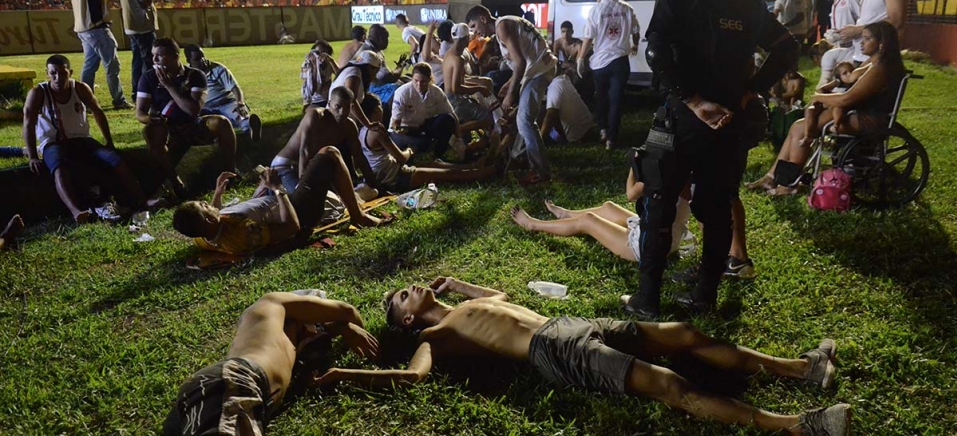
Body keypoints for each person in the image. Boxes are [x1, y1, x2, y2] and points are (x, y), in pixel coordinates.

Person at [318, 277, 851, 436]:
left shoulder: (463, 304)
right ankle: (795, 427)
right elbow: (413, 380)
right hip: (553, 350)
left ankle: (803, 368)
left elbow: (501, 299)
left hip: (568, 324)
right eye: (402, 298)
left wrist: (458, 282)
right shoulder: (434, 339)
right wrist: (346, 372)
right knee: (666, 384)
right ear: (407, 321)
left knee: (682, 332)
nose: (412, 288)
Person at [622, 0, 799, 319]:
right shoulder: (748, 6)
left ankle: (647, 300)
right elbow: (787, 47)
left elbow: (656, 52)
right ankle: (705, 297)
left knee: (659, 204)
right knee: (718, 208)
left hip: (683, 115)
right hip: (731, 117)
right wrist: (751, 90)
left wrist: (693, 100)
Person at [162, 291, 379, 435]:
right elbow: (346, 310)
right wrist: (359, 332)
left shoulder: (277, 339)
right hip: (232, 381)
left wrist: (341, 329)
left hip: (213, 389)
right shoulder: (272, 303)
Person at [749, 21, 904, 196]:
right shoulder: (874, 63)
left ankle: (789, 184)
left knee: (801, 128)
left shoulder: (880, 69)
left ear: (881, 43)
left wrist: (818, 96)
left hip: (868, 118)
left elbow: (847, 98)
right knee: (797, 126)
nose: (861, 42)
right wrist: (834, 84)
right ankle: (772, 177)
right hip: (858, 111)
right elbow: (848, 80)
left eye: (867, 39)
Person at [172, 147, 382, 256]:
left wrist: (218, 194)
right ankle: (357, 215)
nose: (210, 204)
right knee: (329, 154)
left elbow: (213, 223)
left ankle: (356, 194)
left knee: (283, 163)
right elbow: (292, 227)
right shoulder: (244, 234)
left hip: (271, 199)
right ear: (208, 220)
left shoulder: (202, 236)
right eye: (205, 206)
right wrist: (276, 189)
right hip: (297, 210)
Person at [23, 55, 150, 223]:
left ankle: (142, 200)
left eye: (63, 73)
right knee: (59, 169)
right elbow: (28, 123)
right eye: (53, 73)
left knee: (115, 159)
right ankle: (77, 211)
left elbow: (98, 112)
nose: (58, 78)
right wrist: (32, 155)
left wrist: (109, 141)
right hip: (53, 142)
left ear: (70, 72)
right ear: (47, 73)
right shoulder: (39, 92)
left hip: (81, 139)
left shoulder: (80, 88)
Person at [510, 164, 692, 262]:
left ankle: (532, 224)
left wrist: (634, 166)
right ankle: (566, 214)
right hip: (663, 233)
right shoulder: (689, 177)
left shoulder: (665, 171)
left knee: (588, 221)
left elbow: (630, 194)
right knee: (608, 207)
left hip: (646, 245)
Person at [135, 37, 237, 197]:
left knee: (221, 122)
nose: (154, 59)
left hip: (193, 125)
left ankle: (230, 172)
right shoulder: (148, 78)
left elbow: (193, 111)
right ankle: (175, 182)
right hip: (167, 128)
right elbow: (140, 113)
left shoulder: (195, 75)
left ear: (175, 57)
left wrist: (169, 86)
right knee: (150, 131)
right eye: (153, 55)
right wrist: (150, 119)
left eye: (159, 55)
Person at [467, 6, 557, 185]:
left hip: (539, 71)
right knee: (523, 119)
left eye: (474, 25)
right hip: (538, 69)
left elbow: (520, 62)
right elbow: (521, 61)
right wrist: (510, 83)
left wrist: (510, 93)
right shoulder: (505, 23)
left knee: (524, 120)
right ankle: (522, 159)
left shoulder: (502, 27)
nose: (475, 32)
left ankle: (540, 171)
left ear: (483, 18)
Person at [254, 87, 382, 197]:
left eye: (346, 108)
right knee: (302, 202)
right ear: (329, 103)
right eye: (337, 107)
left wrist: (374, 184)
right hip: (286, 166)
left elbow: (359, 157)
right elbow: (304, 152)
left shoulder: (349, 126)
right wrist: (302, 187)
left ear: (352, 107)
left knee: (333, 199)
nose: (342, 112)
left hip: (312, 169)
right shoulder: (315, 116)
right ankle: (268, 189)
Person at [358, 93, 496, 193]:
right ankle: (487, 171)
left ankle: (474, 165)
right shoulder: (377, 131)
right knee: (449, 174)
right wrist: (410, 150)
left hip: (387, 173)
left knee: (435, 164)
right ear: (376, 110)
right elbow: (401, 157)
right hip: (396, 178)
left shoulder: (362, 130)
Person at [579, 0, 641, 150]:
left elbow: (588, 38)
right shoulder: (627, 8)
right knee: (616, 100)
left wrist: (580, 58)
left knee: (600, 97)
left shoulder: (596, 10)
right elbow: (636, 32)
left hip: (600, 62)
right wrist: (635, 45)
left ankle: (603, 129)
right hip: (620, 62)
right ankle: (611, 140)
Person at [183, 44, 263, 142]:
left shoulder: (217, 68)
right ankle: (212, 135)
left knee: (240, 115)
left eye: (203, 56)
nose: (203, 60)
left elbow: (235, 88)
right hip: (205, 108)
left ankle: (250, 131)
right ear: (189, 61)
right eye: (197, 59)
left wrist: (240, 103)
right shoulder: (186, 74)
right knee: (198, 121)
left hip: (226, 103)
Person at [819, 0, 905, 87]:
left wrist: (858, 30)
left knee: (846, 98)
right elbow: (869, 18)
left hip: (878, 59)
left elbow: (896, 19)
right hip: (862, 57)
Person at [389, 63, 458, 162]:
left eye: (423, 82)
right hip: (406, 129)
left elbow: (451, 113)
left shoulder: (436, 92)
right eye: (416, 81)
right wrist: (406, 130)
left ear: (430, 80)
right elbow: (395, 125)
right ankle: (420, 150)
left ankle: (438, 155)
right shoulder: (403, 93)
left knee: (448, 119)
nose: (419, 85)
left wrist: (459, 138)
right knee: (421, 143)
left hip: (423, 126)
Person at [72, 0, 133, 109]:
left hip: (84, 28)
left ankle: (85, 100)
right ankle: (119, 100)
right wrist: (100, 22)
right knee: (112, 66)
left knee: (89, 66)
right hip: (96, 28)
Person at [443, 23, 494, 143]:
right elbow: (456, 88)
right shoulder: (458, 59)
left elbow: (459, 82)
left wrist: (478, 87)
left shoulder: (449, 53)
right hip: (456, 101)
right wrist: (480, 89)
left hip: (449, 98)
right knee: (488, 118)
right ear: (465, 39)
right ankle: (456, 130)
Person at [801, 61, 860, 143]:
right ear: (839, 77)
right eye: (845, 73)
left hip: (842, 104)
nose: (849, 74)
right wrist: (835, 83)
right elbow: (821, 90)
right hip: (830, 102)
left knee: (838, 107)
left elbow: (845, 99)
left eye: (851, 71)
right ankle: (807, 135)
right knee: (810, 109)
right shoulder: (838, 84)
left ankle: (836, 125)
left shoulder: (856, 84)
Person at [330, 50, 387, 134]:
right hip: (337, 121)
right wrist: (368, 124)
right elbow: (351, 101)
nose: (375, 76)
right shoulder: (354, 73)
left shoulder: (353, 71)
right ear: (369, 67)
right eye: (376, 71)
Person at [540, 64, 595, 144]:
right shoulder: (563, 80)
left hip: (576, 135)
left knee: (542, 112)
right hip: (586, 128)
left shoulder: (554, 87)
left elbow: (550, 116)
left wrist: (540, 141)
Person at [119, 0, 157, 97]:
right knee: (149, 61)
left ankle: (137, 91)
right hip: (142, 25)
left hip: (131, 25)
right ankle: (146, 90)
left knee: (138, 61)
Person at [301, 39, 338, 110]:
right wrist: (315, 67)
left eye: (323, 53)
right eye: (317, 52)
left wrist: (331, 61)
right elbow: (312, 88)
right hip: (314, 101)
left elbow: (340, 74)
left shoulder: (329, 63)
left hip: (329, 99)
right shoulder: (307, 65)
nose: (319, 55)